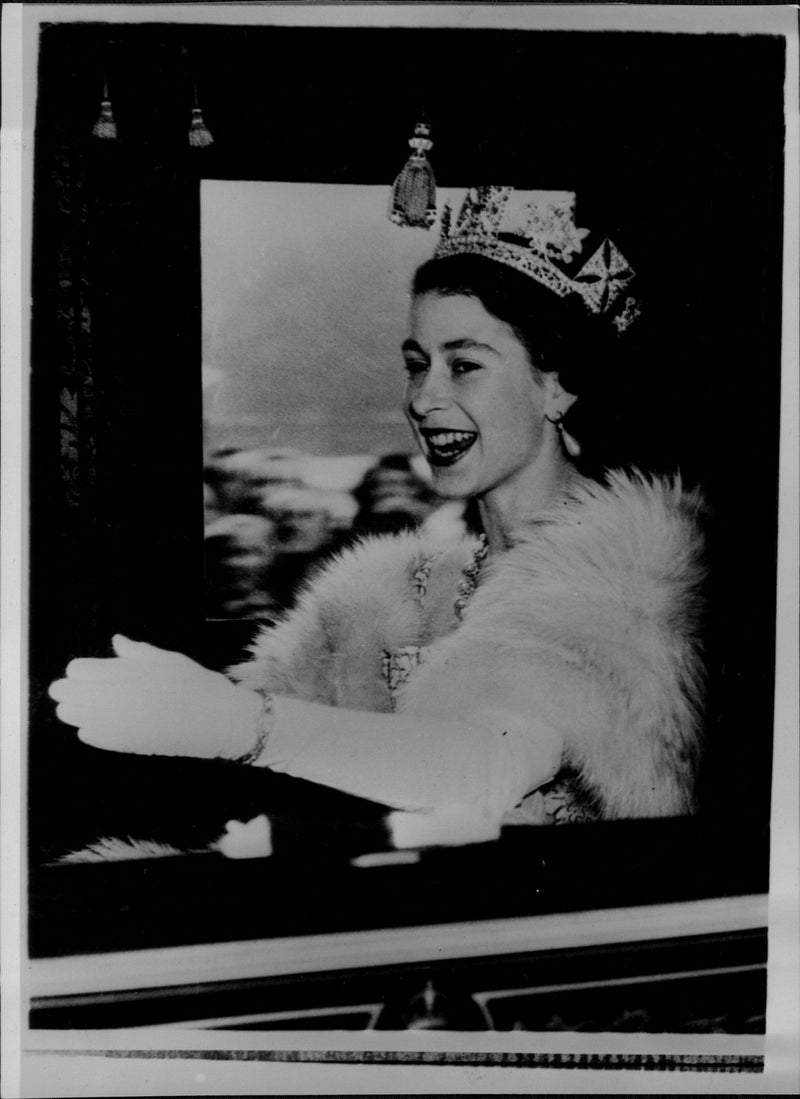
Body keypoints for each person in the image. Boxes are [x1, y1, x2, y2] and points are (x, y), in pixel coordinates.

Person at [49, 187, 706, 847]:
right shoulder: (405, 594)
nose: (423, 399)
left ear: (556, 385)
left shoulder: (633, 579)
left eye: (464, 365)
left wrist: (237, 723)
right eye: (416, 366)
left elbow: (487, 766)